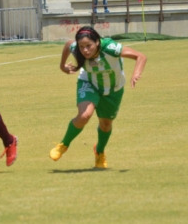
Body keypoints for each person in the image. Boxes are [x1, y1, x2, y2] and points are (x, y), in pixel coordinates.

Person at [49, 26, 147, 168]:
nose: (85, 50)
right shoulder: (77, 48)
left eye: (89, 46)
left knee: (106, 125)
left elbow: (141, 56)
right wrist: (62, 66)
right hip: (89, 82)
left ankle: (99, 152)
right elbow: (68, 44)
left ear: (97, 42)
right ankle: (63, 145)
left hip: (113, 89)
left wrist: (136, 73)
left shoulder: (110, 48)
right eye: (82, 47)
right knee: (84, 115)